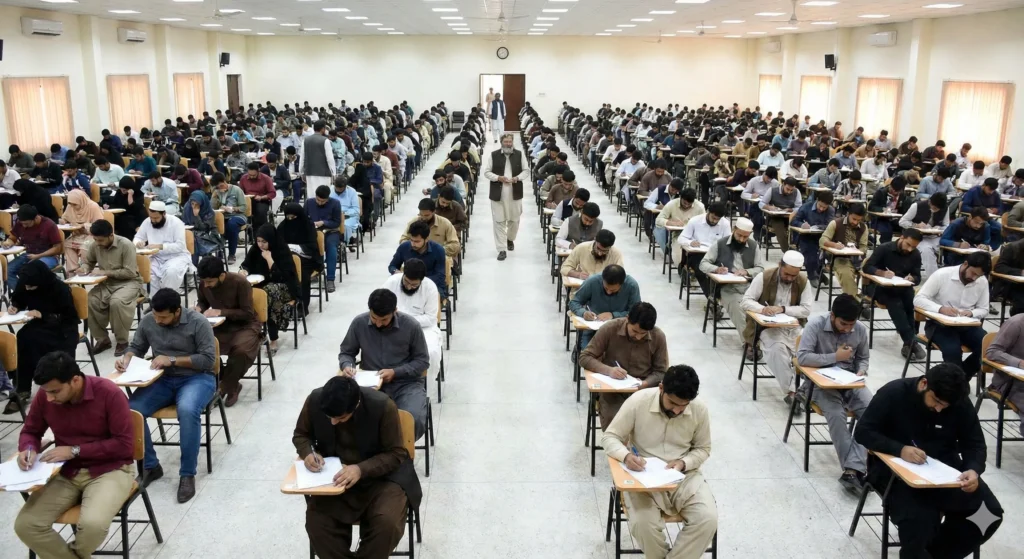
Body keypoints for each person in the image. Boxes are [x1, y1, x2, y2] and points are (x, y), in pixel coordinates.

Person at [854, 364, 1003, 558]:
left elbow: (974, 444)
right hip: (893, 471)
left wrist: (973, 469)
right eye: (937, 401)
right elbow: (863, 432)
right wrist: (900, 449)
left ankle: (936, 554)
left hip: (945, 472)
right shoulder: (894, 393)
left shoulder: (958, 402)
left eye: (945, 406)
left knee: (989, 514)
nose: (939, 409)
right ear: (924, 384)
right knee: (920, 521)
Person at [14, 352, 136, 559]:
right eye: (46, 392)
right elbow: (31, 431)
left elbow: (124, 445)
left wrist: (75, 450)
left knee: (93, 525)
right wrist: (28, 448)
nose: (49, 398)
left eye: (55, 391)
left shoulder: (109, 393)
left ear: (76, 380)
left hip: (111, 469)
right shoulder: (47, 396)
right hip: (67, 471)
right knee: (26, 525)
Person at [292, 375, 422, 559]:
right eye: (329, 417)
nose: (333, 423)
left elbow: (396, 453)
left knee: (387, 524)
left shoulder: (382, 406)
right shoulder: (316, 400)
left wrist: (360, 469)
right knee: (317, 523)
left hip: (382, 478)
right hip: (336, 478)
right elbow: (301, 435)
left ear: (356, 405)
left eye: (341, 417)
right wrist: (308, 453)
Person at [601, 364, 717, 559]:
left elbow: (703, 449)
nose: (678, 410)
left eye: (684, 405)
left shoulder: (699, 410)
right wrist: (626, 456)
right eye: (673, 403)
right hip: (643, 477)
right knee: (644, 525)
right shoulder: (639, 401)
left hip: (683, 476)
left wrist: (683, 462)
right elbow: (609, 437)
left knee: (707, 519)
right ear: (661, 388)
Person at [117, 288, 215, 503]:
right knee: (130, 411)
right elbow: (137, 347)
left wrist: (171, 360)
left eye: (163, 317)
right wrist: (127, 358)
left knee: (188, 410)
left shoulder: (198, 322)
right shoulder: (150, 320)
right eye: (155, 315)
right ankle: (150, 466)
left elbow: (208, 360)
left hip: (197, 378)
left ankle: (187, 473)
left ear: (177, 311)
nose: (158, 320)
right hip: (160, 378)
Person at [796, 294, 873, 492]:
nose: (848, 329)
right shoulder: (815, 325)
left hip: (849, 381)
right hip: (819, 382)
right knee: (837, 415)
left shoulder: (860, 330)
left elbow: (863, 357)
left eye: (851, 324)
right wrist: (835, 357)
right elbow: (803, 358)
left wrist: (861, 370)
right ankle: (855, 469)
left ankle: (851, 471)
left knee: (873, 412)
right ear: (832, 315)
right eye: (843, 324)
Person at [338, 289, 430, 439]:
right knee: (350, 417)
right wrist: (347, 365)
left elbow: (422, 361)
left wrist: (395, 372)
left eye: (384, 320)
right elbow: (346, 352)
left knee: (411, 419)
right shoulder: (359, 323)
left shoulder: (411, 326)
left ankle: (399, 455)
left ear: (395, 311)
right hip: (370, 387)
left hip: (406, 384)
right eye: (374, 318)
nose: (379, 324)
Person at [2, 261, 79, 414]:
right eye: (27, 286)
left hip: (61, 329)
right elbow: (19, 298)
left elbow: (68, 316)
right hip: (38, 325)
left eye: (32, 287)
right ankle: (23, 388)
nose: (28, 289)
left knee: (36, 340)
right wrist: (15, 306)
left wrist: (43, 314)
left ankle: (56, 385)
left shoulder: (59, 288)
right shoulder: (26, 282)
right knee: (23, 336)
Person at [580, 302, 668, 429]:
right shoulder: (610, 328)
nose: (638, 337)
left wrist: (645, 383)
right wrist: (609, 370)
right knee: (616, 422)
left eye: (643, 334)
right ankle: (619, 448)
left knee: (651, 425)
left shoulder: (658, 336)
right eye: (635, 331)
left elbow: (661, 371)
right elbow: (585, 357)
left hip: (644, 390)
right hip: (613, 390)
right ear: (627, 319)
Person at [739, 251, 811, 403]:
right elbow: (745, 301)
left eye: (794, 276)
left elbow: (806, 309)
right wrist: (762, 309)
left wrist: (783, 309)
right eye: (787, 274)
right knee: (777, 350)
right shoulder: (764, 277)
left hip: (793, 327)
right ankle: (793, 393)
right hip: (767, 328)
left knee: (809, 351)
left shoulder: (803, 281)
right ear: (780, 265)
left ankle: (802, 390)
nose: (790, 278)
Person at [913, 253, 990, 380]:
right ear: (965, 264)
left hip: (966, 324)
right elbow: (918, 299)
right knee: (953, 350)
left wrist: (971, 313)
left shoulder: (981, 281)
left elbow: (984, 309)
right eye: (973, 273)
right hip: (939, 325)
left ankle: (961, 379)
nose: (974, 278)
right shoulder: (942, 275)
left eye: (978, 275)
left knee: (988, 347)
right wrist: (941, 309)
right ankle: (957, 384)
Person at [196, 256, 260, 407]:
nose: (207, 285)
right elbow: (203, 302)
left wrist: (220, 312)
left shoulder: (240, 282)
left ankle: (224, 387)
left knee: (242, 351)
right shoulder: (204, 283)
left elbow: (248, 313)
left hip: (245, 324)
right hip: (219, 325)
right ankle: (230, 383)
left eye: (210, 282)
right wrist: (198, 309)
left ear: (222, 275)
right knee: (203, 348)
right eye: (204, 281)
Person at [82, 219, 144, 357]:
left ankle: (122, 341)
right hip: (107, 283)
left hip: (129, 282)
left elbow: (130, 273)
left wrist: (104, 272)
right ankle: (102, 339)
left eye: (100, 240)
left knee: (117, 302)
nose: (98, 243)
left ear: (111, 235)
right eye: (96, 239)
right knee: (91, 299)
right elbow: (89, 262)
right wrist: (84, 269)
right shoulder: (95, 244)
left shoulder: (126, 245)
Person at [699, 218, 764, 348]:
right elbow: (703, 264)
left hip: (749, 287)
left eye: (745, 237)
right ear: (734, 230)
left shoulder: (753, 246)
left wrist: (746, 271)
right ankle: (749, 345)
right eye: (739, 235)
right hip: (727, 288)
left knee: (762, 310)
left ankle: (763, 342)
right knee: (739, 311)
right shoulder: (720, 244)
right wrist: (716, 269)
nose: (741, 240)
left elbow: (761, 269)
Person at [862, 229, 925, 358]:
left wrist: (912, 278)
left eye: (914, 247)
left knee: (912, 304)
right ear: (901, 237)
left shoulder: (915, 254)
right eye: (908, 244)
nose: (910, 249)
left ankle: (908, 344)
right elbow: (867, 267)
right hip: (878, 286)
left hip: (901, 286)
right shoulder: (884, 248)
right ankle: (911, 342)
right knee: (895, 303)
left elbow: (917, 276)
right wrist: (882, 273)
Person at [240, 224, 300, 354]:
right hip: (261, 284)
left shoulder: (282, 250)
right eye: (258, 241)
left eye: (264, 242)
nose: (260, 245)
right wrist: (243, 271)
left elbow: (282, 277)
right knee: (246, 292)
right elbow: (246, 264)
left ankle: (272, 338)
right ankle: (252, 332)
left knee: (267, 295)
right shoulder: (255, 250)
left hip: (285, 287)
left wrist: (269, 259)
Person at [381, 258, 443, 377]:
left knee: (429, 353)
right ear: (403, 274)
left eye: (414, 285)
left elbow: (430, 318)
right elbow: (378, 305)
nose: (409, 287)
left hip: (422, 329)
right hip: (391, 326)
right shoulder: (391, 282)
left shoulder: (430, 287)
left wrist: (406, 320)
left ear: (421, 280)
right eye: (406, 282)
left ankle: (424, 388)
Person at [568, 264, 642, 349]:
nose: (609, 292)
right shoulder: (592, 281)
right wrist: (583, 313)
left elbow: (636, 314)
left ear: (622, 284)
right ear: (602, 279)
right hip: (593, 329)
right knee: (586, 353)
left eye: (613, 290)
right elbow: (574, 302)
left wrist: (613, 315)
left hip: (619, 329)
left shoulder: (632, 286)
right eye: (606, 288)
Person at [484, 133, 529, 261]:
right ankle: (501, 249)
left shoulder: (520, 154)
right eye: (506, 142)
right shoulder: (494, 155)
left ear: (512, 142)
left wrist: (517, 178)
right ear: (502, 143)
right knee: (498, 221)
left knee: (514, 220)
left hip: (515, 193)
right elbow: (487, 172)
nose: (508, 144)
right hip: (498, 194)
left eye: (510, 142)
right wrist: (498, 178)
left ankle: (510, 239)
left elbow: (526, 171)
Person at [134, 200, 193, 293]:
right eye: (151, 218)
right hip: (156, 257)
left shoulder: (176, 223)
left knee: (171, 272)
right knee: (146, 271)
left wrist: (161, 246)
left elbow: (180, 246)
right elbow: (138, 237)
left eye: (156, 218)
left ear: (164, 213)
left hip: (177, 256)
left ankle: (167, 302)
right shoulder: (147, 222)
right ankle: (155, 303)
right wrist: (138, 243)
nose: (153, 220)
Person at [4, 204, 63, 293]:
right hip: (29, 254)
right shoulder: (21, 223)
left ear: (35, 218)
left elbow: (58, 248)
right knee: (7, 271)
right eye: (22, 223)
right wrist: (9, 242)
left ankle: (45, 290)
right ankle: (23, 295)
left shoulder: (49, 225)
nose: (24, 226)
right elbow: (13, 237)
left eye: (27, 224)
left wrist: (39, 256)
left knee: (31, 271)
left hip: (49, 256)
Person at [278, 203, 323, 312]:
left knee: (301, 275)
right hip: (287, 259)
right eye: (288, 217)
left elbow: (312, 247)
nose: (290, 220)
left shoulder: (308, 226)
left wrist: (296, 248)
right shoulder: (283, 226)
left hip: (306, 259)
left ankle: (302, 306)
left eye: (293, 217)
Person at [819, 203, 869, 298]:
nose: (855, 222)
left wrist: (857, 251)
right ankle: (855, 301)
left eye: (859, 220)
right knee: (846, 273)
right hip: (838, 258)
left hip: (856, 259)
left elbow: (863, 246)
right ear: (848, 214)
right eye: (854, 219)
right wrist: (834, 245)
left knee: (871, 270)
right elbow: (822, 241)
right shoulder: (836, 223)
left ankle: (866, 296)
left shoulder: (863, 227)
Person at [791, 190, 836, 288]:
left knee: (827, 253)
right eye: (820, 206)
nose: (821, 209)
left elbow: (830, 225)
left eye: (825, 207)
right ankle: (812, 276)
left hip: (822, 237)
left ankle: (819, 272)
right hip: (805, 236)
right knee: (810, 252)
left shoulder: (831, 210)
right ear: (817, 200)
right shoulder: (806, 207)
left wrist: (820, 227)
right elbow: (794, 221)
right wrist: (802, 224)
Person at [900, 192, 949, 280]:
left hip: (935, 236)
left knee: (947, 248)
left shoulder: (945, 208)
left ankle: (947, 275)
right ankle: (934, 278)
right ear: (930, 202)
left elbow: (947, 225)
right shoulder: (916, 206)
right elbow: (902, 221)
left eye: (938, 209)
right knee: (926, 250)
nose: (936, 210)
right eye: (934, 208)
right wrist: (915, 225)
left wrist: (939, 228)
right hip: (918, 237)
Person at [304, 185, 342, 293]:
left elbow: (337, 222)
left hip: (330, 232)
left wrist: (324, 222)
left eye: (323, 201)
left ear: (328, 198)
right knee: (309, 247)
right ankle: (314, 272)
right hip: (313, 232)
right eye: (318, 200)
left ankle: (330, 279)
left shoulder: (335, 203)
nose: (320, 203)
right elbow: (303, 219)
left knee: (331, 249)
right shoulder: (309, 203)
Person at [60, 188, 104, 275]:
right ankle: (72, 270)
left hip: (92, 235)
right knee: (67, 244)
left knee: (85, 247)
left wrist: (86, 226)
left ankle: (86, 269)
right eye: (71, 204)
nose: (72, 206)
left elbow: (100, 225)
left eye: (75, 204)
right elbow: (65, 217)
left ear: (81, 200)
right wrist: (63, 221)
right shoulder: (70, 206)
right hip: (77, 234)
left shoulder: (93, 206)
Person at [653, 187, 704, 258]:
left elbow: (704, 223)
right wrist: (672, 223)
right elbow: (658, 220)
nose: (686, 205)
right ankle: (680, 266)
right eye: (684, 203)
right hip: (678, 235)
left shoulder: (700, 207)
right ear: (680, 197)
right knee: (679, 254)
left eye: (689, 204)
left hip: (695, 236)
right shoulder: (671, 204)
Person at [210, 173, 249, 263]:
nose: (220, 188)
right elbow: (212, 208)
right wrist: (214, 196)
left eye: (221, 185)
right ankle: (219, 250)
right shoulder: (217, 192)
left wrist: (232, 209)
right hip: (223, 216)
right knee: (215, 225)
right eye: (217, 187)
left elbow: (244, 207)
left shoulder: (236, 190)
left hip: (238, 215)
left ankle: (231, 254)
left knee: (231, 225)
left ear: (224, 181)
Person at [759, 176, 803, 252]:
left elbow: (799, 207)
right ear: (783, 184)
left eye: (791, 190)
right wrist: (768, 207)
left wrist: (791, 209)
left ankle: (797, 249)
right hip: (775, 217)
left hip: (790, 217)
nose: (789, 192)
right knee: (780, 230)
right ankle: (788, 252)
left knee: (799, 228)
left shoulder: (796, 192)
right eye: (787, 189)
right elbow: (761, 203)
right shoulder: (772, 190)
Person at [181, 190, 223, 264]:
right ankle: (187, 265)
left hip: (208, 236)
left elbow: (203, 228)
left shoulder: (209, 212)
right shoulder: (187, 207)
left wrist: (196, 216)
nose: (193, 206)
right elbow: (184, 221)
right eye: (192, 203)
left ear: (202, 203)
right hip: (192, 232)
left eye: (196, 204)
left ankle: (195, 265)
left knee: (193, 240)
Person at [238, 162, 276, 230]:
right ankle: (249, 231)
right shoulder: (244, 178)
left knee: (260, 212)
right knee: (242, 212)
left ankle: (260, 231)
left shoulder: (266, 178)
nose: (251, 177)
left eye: (254, 175)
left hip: (262, 200)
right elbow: (240, 192)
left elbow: (272, 193)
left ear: (258, 171)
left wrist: (261, 197)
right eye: (250, 175)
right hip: (248, 200)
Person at [302, 120, 336, 195]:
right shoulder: (325, 140)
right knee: (324, 196)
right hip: (324, 174)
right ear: (323, 129)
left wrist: (301, 172)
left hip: (309, 173)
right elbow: (330, 159)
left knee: (311, 196)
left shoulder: (305, 140)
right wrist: (334, 173)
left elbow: (302, 158)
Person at [993, 238, 1024, 315]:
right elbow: (999, 267)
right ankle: (1017, 322)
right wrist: (1021, 272)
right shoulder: (1012, 248)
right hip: (1012, 285)